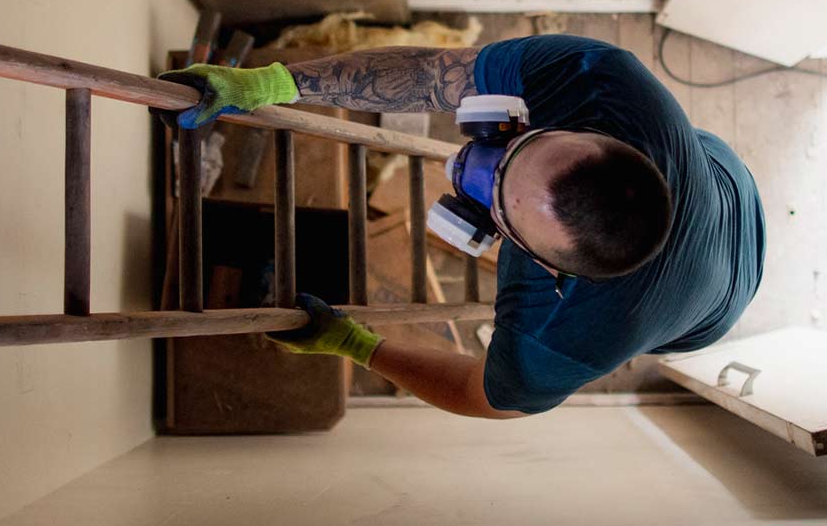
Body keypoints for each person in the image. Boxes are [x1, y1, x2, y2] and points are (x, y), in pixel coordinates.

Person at [161, 34, 765, 418]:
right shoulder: (603, 80)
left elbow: (480, 395)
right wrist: (274, 83)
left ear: (547, 266)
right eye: (519, 144)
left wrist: (355, 345)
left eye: (497, 199)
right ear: (595, 134)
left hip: (711, 311)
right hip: (731, 184)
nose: (467, 164)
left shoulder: (561, 337)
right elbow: (431, 74)